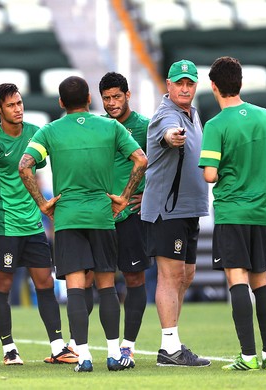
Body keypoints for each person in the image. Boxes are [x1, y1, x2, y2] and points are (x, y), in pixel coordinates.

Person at [19, 76, 147, 373]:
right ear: (90, 98)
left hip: (68, 217)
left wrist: (42, 203)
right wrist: (125, 197)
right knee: (106, 285)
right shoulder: (111, 127)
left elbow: (24, 165)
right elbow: (141, 160)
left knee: (77, 287)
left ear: (61, 102)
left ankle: (85, 356)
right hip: (103, 216)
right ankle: (115, 354)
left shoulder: (50, 131)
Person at [0, 83, 76, 366]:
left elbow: (35, 175)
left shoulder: (34, 134)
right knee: (2, 286)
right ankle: (9, 348)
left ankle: (57, 346)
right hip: (4, 227)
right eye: (11, 105)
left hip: (33, 225)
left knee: (44, 282)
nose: (17, 109)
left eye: (19, 103)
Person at [198, 56, 266, 371]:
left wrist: (229, 169)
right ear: (241, 83)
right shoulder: (264, 116)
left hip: (232, 211)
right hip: (260, 211)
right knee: (261, 280)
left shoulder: (216, 124)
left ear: (214, 87)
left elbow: (209, 174)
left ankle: (247, 356)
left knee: (237, 279)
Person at [140, 59, 210, 367]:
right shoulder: (165, 115)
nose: (184, 88)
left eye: (189, 83)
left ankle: (172, 342)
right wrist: (173, 137)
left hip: (188, 209)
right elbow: (168, 133)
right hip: (167, 210)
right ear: (168, 85)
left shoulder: (193, 113)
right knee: (170, 276)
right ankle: (169, 347)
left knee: (186, 274)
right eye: (179, 83)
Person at [98, 72, 149, 361]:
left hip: (131, 214)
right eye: (107, 98)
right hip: (101, 215)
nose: (112, 103)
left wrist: (149, 194)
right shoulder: (99, 127)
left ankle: (128, 344)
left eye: (117, 96)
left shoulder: (143, 127)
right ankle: (78, 344)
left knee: (133, 277)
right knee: (90, 277)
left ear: (128, 95)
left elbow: (162, 164)